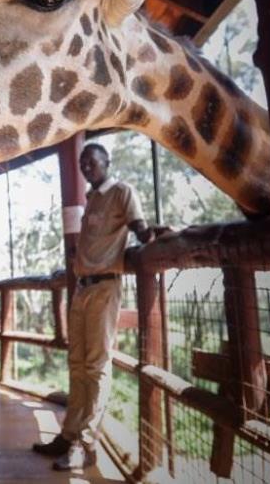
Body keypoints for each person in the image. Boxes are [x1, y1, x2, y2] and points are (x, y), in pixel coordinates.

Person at [32, 143, 161, 472]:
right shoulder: (91, 200)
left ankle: (85, 444)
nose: (86, 166)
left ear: (107, 162)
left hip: (105, 287)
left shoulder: (121, 192)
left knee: (96, 366)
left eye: (92, 161)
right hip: (82, 289)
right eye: (82, 162)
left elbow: (140, 229)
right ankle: (68, 434)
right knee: (77, 364)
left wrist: (157, 234)